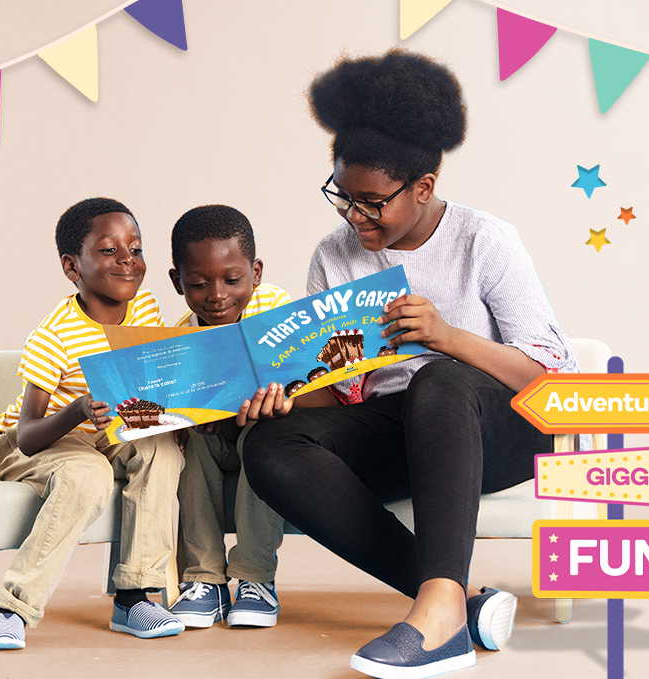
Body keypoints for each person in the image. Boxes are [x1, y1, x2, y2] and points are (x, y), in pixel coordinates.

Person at [241, 50, 580, 678]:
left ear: (423, 187)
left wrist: (448, 337)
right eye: (342, 198)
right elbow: (337, 392)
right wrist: (285, 395)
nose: (354, 217)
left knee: (438, 379)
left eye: (372, 202)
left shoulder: (486, 241)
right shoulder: (334, 254)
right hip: (401, 428)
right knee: (269, 444)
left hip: (504, 423)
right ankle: (454, 604)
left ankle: (439, 614)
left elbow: (554, 385)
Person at [0, 198, 186, 649]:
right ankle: (10, 607)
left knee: (160, 451)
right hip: (39, 437)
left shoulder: (147, 310)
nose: (128, 260)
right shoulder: (55, 333)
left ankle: (134, 597)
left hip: (103, 430)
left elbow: (152, 382)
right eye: (110, 251)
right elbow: (28, 436)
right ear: (73, 267)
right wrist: (75, 410)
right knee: (86, 473)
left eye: (135, 248)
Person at [165, 204, 292, 628]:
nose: (217, 295)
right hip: (213, 443)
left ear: (255, 272)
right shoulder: (181, 334)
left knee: (264, 430)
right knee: (186, 443)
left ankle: (255, 578)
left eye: (232, 279)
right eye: (199, 284)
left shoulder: (275, 308)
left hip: (263, 439)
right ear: (177, 281)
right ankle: (205, 580)